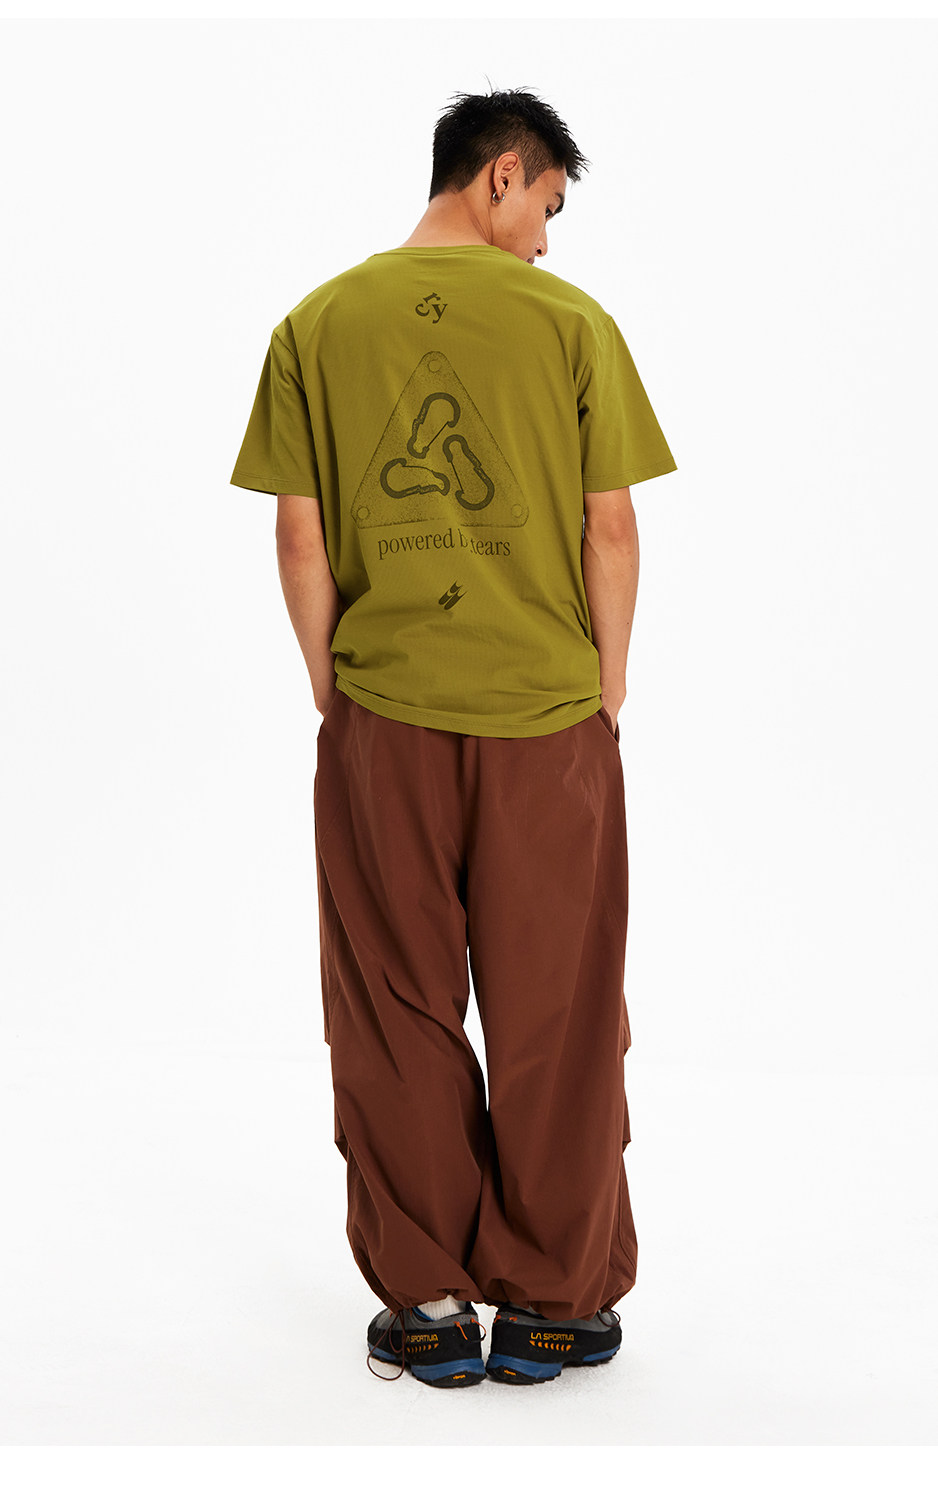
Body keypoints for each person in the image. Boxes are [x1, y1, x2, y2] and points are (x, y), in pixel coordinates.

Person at [229, 85, 677, 1388]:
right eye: (547, 207)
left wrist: (336, 691)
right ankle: (551, 1303)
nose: (544, 239)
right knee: (561, 1009)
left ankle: (426, 1302)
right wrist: (605, 689)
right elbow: (609, 526)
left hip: (385, 717)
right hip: (547, 719)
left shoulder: (316, 324)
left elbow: (298, 536)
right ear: (501, 175)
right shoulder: (572, 324)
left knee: (394, 1004)